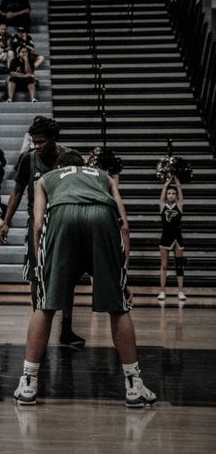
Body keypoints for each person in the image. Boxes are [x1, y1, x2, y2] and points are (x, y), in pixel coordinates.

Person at [13, 152, 157, 408]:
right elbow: (124, 225)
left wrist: (41, 269)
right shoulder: (103, 176)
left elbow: (37, 224)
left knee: (45, 305)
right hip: (101, 217)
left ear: (60, 167)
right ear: (84, 167)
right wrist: (124, 274)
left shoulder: (47, 178)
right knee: (119, 306)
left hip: (61, 217)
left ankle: (28, 383)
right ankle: (134, 386)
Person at [0, 116, 85, 346]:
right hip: (37, 223)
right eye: (34, 141)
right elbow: (17, 191)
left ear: (53, 139)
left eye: (41, 142)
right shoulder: (29, 159)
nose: (36, 146)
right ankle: (40, 325)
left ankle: (66, 328)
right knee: (35, 276)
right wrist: (6, 221)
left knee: (66, 277)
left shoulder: (70, 158)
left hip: (64, 223)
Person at [158, 176, 186, 301]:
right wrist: (166, 184)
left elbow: (180, 194)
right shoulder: (162, 206)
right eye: (169, 193)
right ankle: (162, 291)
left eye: (173, 194)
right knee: (164, 266)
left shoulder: (179, 206)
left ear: (176, 196)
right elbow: (162, 194)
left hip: (178, 239)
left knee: (179, 266)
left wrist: (178, 183)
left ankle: (180, 291)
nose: (171, 195)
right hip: (165, 238)